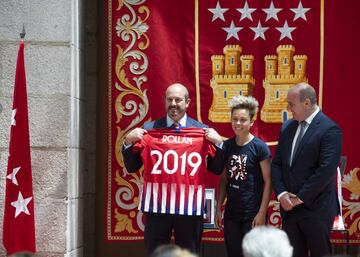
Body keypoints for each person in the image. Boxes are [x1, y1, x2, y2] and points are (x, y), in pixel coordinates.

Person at [122, 83, 224, 256]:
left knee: (189, 253)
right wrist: (127, 142)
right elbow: (132, 167)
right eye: (169, 99)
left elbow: (216, 169)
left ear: (187, 102)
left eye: (178, 99)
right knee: (154, 253)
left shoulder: (202, 130)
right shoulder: (149, 130)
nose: (173, 103)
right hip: (157, 207)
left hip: (189, 208)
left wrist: (220, 143)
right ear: (165, 101)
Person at [271, 82, 342, 257]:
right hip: (289, 210)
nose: (288, 108)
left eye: (291, 104)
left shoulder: (329, 129)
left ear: (307, 103)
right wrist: (281, 194)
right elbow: (277, 163)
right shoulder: (287, 127)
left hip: (316, 209)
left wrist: (298, 198)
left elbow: (325, 171)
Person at [215, 95, 272, 257]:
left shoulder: (260, 148)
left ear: (251, 122)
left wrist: (261, 213)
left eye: (243, 120)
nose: (238, 123)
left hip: (252, 214)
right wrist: (219, 208)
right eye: (235, 119)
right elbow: (224, 179)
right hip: (232, 214)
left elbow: (269, 182)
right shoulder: (227, 146)